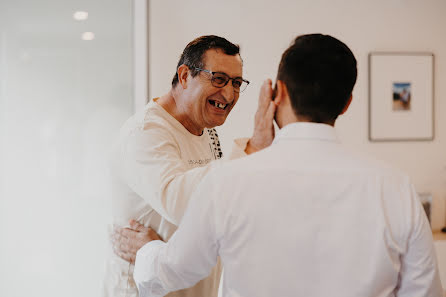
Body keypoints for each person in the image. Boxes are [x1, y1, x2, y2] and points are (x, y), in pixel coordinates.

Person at [130, 34, 443, 297]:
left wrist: (146, 252)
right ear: (346, 104)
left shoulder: (228, 182)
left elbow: (173, 271)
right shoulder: (396, 187)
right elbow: (423, 290)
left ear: (277, 93)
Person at [104, 35, 275, 297]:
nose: (228, 94)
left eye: (237, 83)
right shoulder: (144, 133)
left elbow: (218, 211)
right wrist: (251, 150)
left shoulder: (206, 130)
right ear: (184, 76)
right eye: (218, 79)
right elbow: (181, 202)